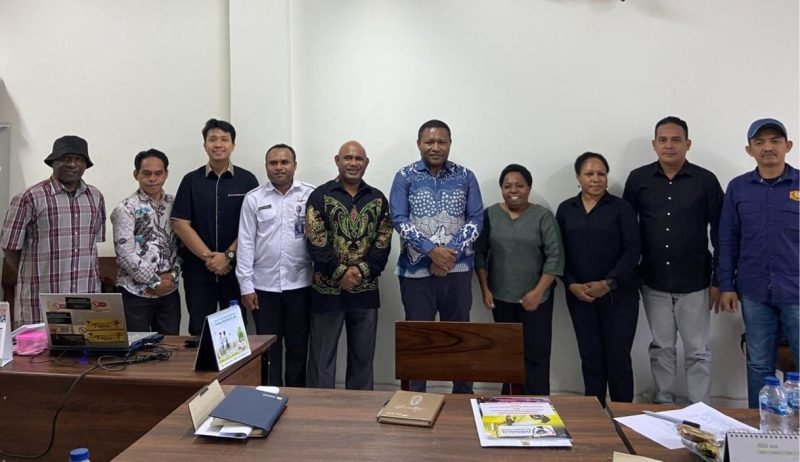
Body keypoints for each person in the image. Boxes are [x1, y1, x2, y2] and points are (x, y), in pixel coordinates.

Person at [623, 116, 724, 405]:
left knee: (698, 350)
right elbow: (627, 231)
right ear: (654, 144)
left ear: (687, 144)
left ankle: (700, 410)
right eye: (663, 140)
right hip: (653, 280)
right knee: (662, 348)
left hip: (695, 281)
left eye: (676, 139)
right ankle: (665, 404)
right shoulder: (638, 179)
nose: (669, 145)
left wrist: (720, 280)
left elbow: (720, 233)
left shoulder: (705, 180)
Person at [389, 119, 483, 394]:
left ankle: (463, 396)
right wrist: (432, 251)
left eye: (441, 142)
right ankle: (415, 397)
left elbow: (476, 219)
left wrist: (448, 255)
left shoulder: (466, 176)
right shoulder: (404, 176)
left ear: (450, 144)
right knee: (419, 339)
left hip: (457, 270)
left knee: (459, 337)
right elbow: (399, 218)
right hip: (415, 271)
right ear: (419, 144)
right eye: (429, 142)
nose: (435, 147)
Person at [719, 118, 799, 409]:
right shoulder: (738, 188)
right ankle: (759, 431)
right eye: (760, 142)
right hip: (754, 293)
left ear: (787, 146)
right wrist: (726, 285)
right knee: (758, 366)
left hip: (797, 292)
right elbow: (727, 240)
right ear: (749, 150)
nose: (768, 148)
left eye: (775, 141)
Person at [304, 140, 392, 390]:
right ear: (337, 160)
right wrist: (341, 272)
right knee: (322, 359)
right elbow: (315, 241)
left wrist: (361, 272)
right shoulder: (320, 196)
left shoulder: (377, 199)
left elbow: (383, 243)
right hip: (326, 292)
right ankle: (320, 413)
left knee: (363, 360)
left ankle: (361, 413)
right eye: (347, 158)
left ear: (366, 163)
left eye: (358, 159)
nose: (353, 163)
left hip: (365, 292)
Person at [557, 152, 640, 406]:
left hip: (619, 296)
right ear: (578, 177)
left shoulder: (621, 208)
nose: (596, 179)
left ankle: (623, 420)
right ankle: (596, 420)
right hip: (580, 297)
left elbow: (633, 251)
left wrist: (608, 283)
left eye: (601, 174)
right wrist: (571, 284)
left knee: (618, 359)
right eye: (589, 174)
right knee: (590, 359)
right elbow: (558, 252)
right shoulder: (566, 209)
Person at [475, 164, 564, 395]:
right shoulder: (491, 215)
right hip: (501, 298)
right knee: (507, 353)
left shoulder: (542, 216)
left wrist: (537, 292)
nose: (513, 190)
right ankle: (509, 404)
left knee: (536, 354)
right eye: (507, 186)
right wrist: (485, 288)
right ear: (501, 189)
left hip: (537, 300)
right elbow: (480, 254)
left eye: (519, 185)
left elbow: (556, 257)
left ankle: (538, 406)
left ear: (529, 188)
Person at [1, 135, 105, 326]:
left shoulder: (96, 197)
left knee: (83, 354)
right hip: (40, 300)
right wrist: (35, 271)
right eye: (65, 159)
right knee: (37, 355)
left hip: (85, 300)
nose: (72, 164)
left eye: (78, 159)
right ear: (53, 163)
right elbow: (10, 248)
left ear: (86, 165)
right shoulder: (28, 198)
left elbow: (91, 243)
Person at [171, 119, 259, 335]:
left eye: (224, 139)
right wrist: (210, 258)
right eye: (212, 139)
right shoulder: (191, 180)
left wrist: (227, 256)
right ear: (205, 145)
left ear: (233, 145)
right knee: (200, 331)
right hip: (199, 272)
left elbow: (255, 225)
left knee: (236, 332)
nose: (218, 144)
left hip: (236, 271)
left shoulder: (247, 180)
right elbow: (180, 223)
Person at [237, 143, 314, 387]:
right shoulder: (254, 198)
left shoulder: (312, 195)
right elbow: (246, 242)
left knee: (298, 347)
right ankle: (269, 397)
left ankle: (297, 397)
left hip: (301, 285)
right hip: (263, 288)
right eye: (273, 163)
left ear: (294, 165)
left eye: (284, 162)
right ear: (267, 166)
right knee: (268, 351)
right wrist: (245, 286)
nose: (279, 167)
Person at [111, 149, 181, 334]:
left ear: (166, 174)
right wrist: (154, 282)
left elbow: (181, 246)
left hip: (169, 291)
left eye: (158, 173)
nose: (153, 179)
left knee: (170, 347)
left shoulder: (175, 204)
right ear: (136, 174)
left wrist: (172, 276)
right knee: (137, 349)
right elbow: (125, 254)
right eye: (146, 173)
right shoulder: (125, 208)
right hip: (135, 293)